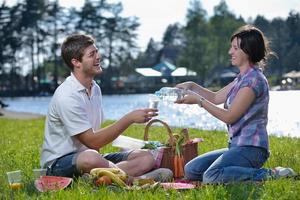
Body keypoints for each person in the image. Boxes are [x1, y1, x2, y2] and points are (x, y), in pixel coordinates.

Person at [40, 34, 173, 180]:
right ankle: (133, 180)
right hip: (59, 164)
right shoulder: (67, 95)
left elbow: (94, 144)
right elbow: (92, 141)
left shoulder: (95, 88)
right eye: (92, 54)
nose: (98, 57)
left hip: (91, 155)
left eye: (97, 52)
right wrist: (129, 119)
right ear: (76, 62)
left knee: (145, 157)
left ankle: (100, 179)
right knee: (91, 158)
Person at [175, 25, 295, 184]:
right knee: (191, 170)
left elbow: (230, 117)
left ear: (248, 51)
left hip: (252, 150)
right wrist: (191, 86)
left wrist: (199, 101)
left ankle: (271, 174)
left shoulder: (254, 81)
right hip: (237, 147)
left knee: (211, 176)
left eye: (235, 48)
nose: (230, 52)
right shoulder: (241, 78)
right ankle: (237, 173)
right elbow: (216, 97)